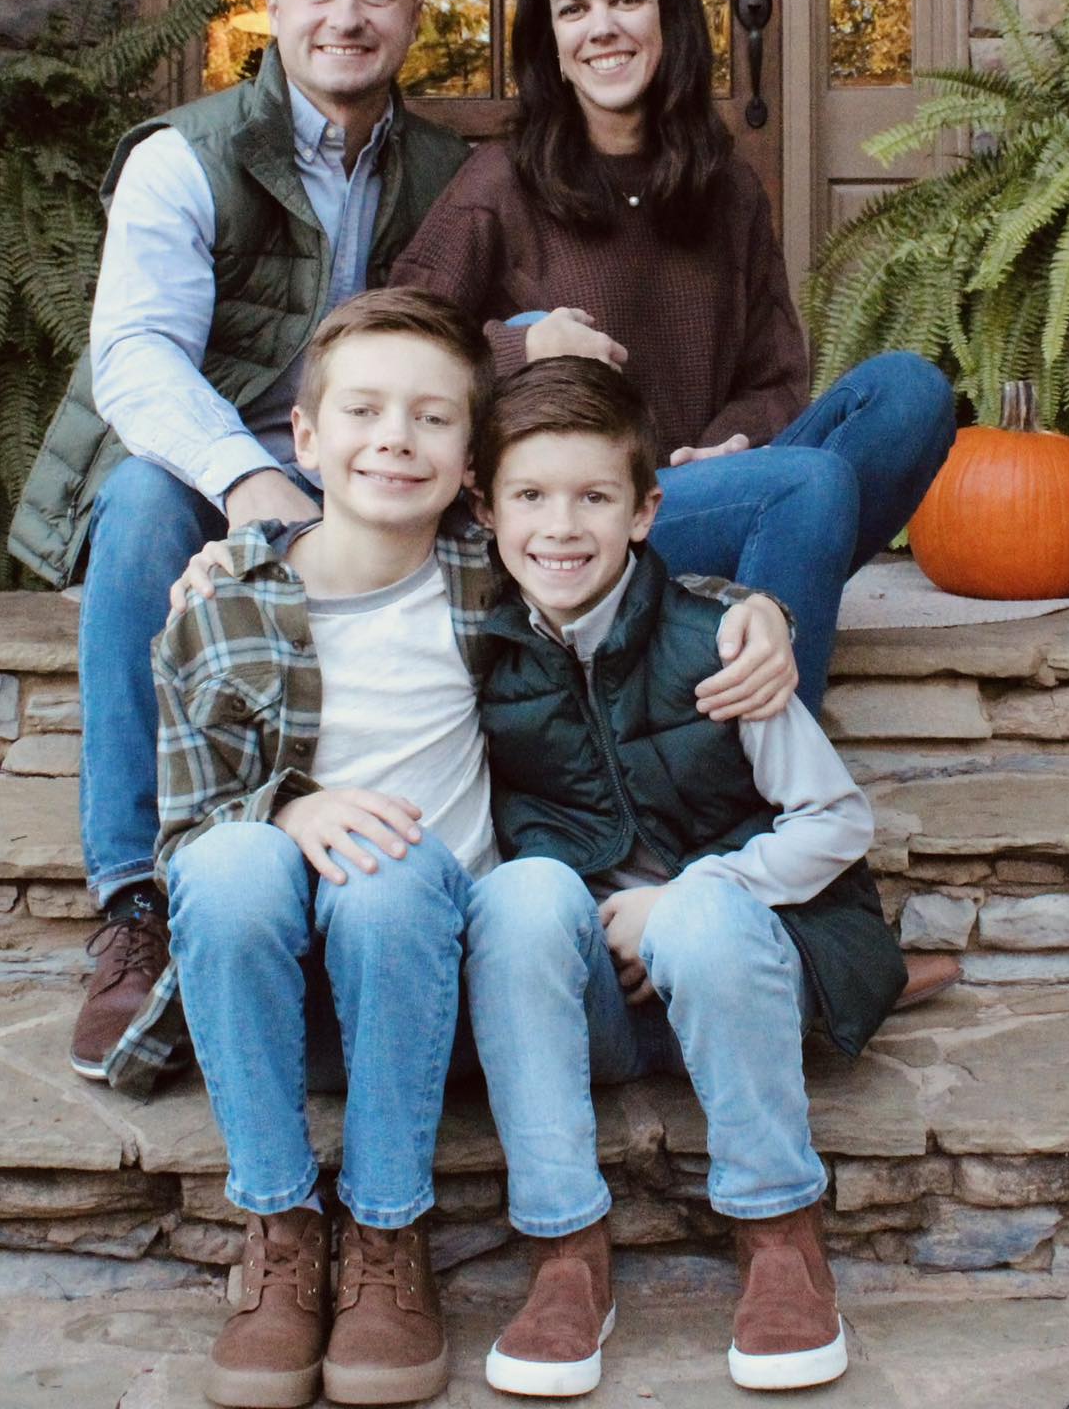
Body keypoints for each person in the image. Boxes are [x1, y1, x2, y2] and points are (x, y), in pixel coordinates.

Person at [106, 289, 799, 1409]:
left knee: (386, 876)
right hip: (294, 1011)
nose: (394, 436)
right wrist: (287, 811)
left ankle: (387, 1234)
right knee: (230, 861)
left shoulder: (487, 584)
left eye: (432, 418)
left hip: (445, 991)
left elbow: (616, 584)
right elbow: (181, 842)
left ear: (467, 459)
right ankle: (280, 1226)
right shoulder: (221, 608)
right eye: (366, 410)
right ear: (307, 437)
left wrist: (756, 606)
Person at [389, 0, 958, 1005]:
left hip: (698, 497)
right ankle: (757, 824)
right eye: (572, 8)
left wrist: (730, 442)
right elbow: (400, 338)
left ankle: (745, 629)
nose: (600, 26)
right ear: (546, 39)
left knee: (905, 393)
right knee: (812, 481)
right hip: (577, 517)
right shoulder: (500, 181)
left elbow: (778, 367)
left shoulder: (722, 180)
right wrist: (518, 342)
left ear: (666, 16)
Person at [7, 0, 473, 1083]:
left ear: (411, 15)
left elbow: (469, 332)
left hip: (354, 466)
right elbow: (134, 358)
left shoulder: (445, 170)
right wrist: (252, 476)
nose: (345, 16)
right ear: (270, 10)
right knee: (141, 507)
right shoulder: (185, 154)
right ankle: (132, 902)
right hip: (207, 457)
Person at [465, 356, 904, 1397]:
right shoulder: (479, 667)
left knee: (703, 906)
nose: (560, 526)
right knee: (517, 895)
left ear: (646, 508)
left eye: (592, 496)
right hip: (603, 1003)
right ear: (485, 511)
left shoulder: (723, 642)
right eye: (530, 495)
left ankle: (778, 1233)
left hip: (745, 972)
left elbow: (836, 819)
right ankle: (566, 1250)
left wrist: (677, 904)